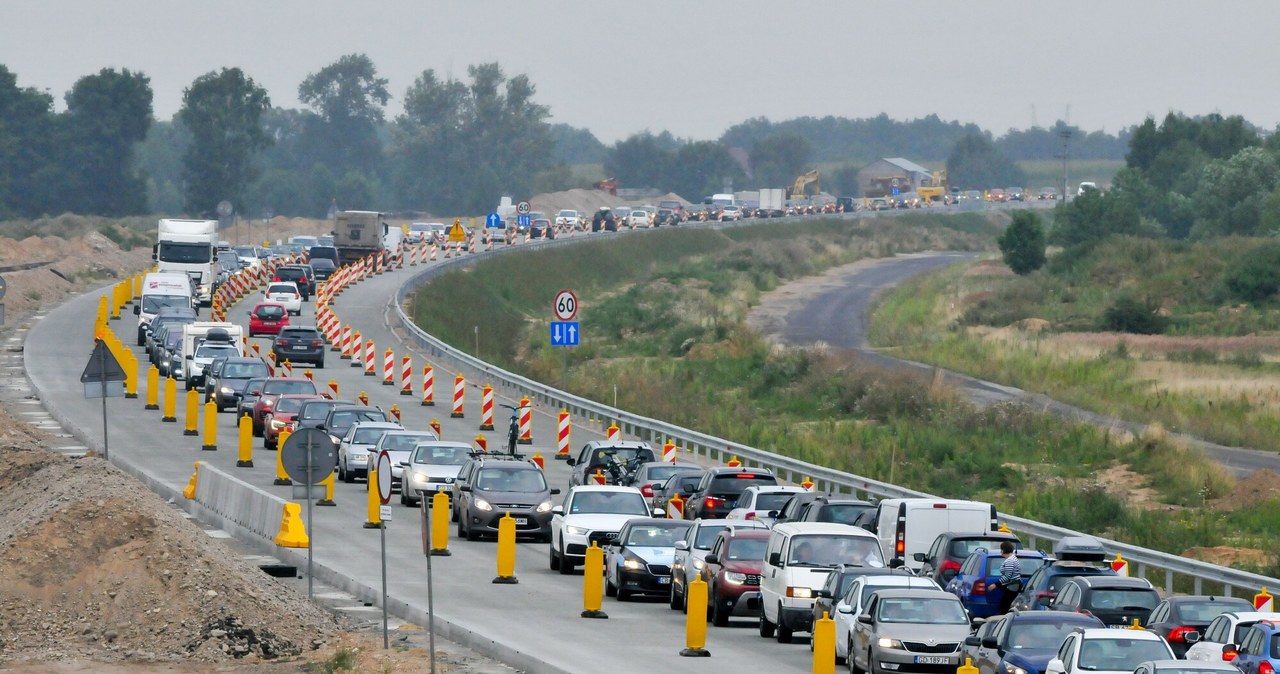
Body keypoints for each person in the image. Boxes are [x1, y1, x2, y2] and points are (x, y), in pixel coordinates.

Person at [996, 541, 1022, 614]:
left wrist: (995, 584)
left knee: (1004, 607)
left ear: (1004, 550)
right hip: (1012, 586)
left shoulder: (1010, 561)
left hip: (1011, 587)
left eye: (1001, 549)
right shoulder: (1013, 558)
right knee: (1006, 605)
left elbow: (1007, 576)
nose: (1000, 551)